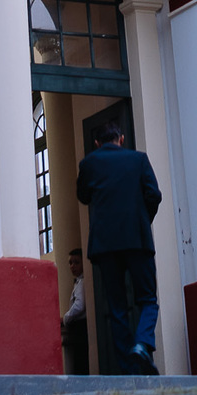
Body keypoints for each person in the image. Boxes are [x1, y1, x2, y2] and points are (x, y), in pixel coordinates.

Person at [76, 118, 162, 375]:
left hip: (105, 246)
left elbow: (83, 196)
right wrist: (142, 220)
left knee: (116, 308)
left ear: (96, 142)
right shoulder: (139, 160)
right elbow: (154, 195)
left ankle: (127, 369)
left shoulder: (88, 163)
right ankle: (142, 343)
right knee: (147, 299)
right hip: (137, 240)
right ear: (121, 139)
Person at [61, 246, 89, 375]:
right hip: (78, 326)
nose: (72, 266)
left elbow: (79, 305)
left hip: (80, 326)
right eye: (70, 263)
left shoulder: (82, 283)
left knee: (81, 360)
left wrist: (66, 318)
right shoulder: (78, 282)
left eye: (76, 262)